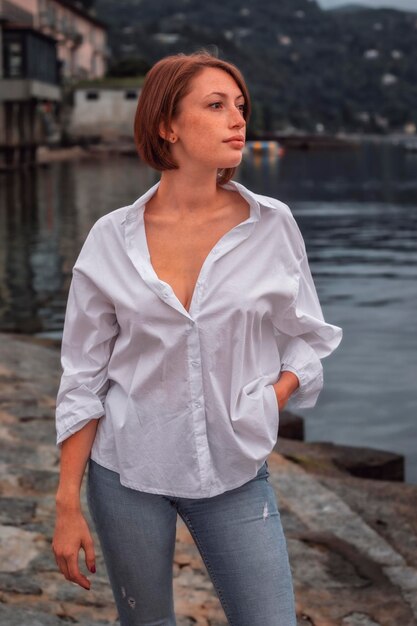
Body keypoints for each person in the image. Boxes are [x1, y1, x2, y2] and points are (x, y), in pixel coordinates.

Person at [52, 50, 343, 626]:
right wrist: (66, 502)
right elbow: (83, 377)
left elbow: (309, 337)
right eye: (216, 106)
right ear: (167, 124)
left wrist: (271, 397)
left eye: (240, 106)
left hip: (235, 474)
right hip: (126, 472)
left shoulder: (272, 225)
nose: (238, 119)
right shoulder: (110, 240)